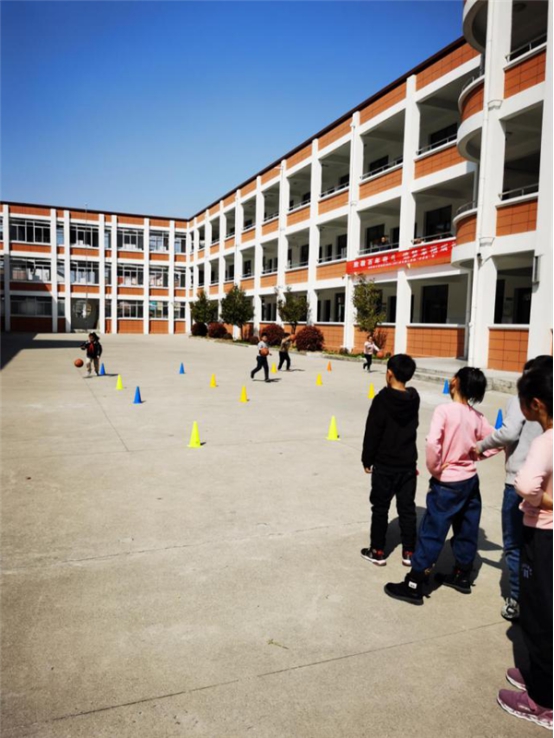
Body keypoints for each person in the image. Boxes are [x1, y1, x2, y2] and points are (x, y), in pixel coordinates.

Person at [384, 367, 496, 605]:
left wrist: (436, 469)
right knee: (467, 527)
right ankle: (462, 574)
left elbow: (433, 443)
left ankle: (415, 582)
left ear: (455, 382)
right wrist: (477, 455)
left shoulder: (444, 411)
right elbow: (497, 441)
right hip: (470, 480)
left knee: (433, 530)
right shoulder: (478, 417)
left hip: (447, 482)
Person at [497, 364, 553, 730]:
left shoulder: (545, 441)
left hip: (544, 536)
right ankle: (538, 676)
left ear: (536, 405)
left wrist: (546, 501)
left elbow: (526, 484)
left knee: (539, 616)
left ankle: (542, 702)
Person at [475, 355, 552, 621]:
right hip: (547, 485)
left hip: (521, 485)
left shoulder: (523, 400)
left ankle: (518, 599)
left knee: (515, 545)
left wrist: (481, 446)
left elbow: (508, 433)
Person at [360, 354, 419, 567]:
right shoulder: (414, 398)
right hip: (408, 464)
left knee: (380, 508)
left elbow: (373, 432)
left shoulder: (382, 400)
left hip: (385, 465)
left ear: (389, 373)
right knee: (407, 508)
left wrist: (367, 459)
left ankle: (377, 550)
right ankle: (410, 552)